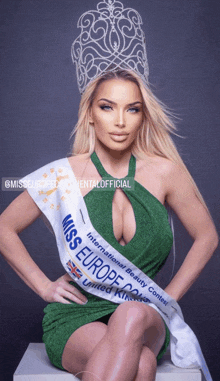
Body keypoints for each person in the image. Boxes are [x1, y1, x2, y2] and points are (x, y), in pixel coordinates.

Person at [0, 1, 218, 381]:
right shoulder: (63, 174)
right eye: (107, 107)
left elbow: (207, 237)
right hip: (77, 314)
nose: (119, 121)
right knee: (142, 365)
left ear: (142, 116)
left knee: (132, 314)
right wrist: (43, 286)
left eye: (132, 109)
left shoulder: (165, 172)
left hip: (145, 311)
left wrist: (169, 300)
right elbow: (4, 227)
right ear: (90, 113)